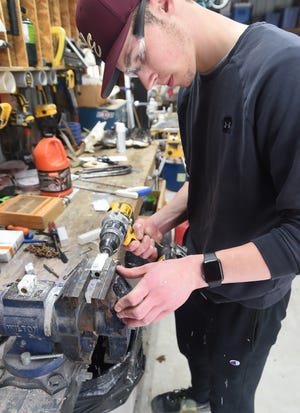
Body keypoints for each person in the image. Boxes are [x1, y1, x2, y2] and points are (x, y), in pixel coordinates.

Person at [76, 1, 300, 412]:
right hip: (196, 276)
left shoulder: (285, 71)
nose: (148, 80)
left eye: (139, 57)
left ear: (164, 5)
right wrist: (162, 222)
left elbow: (298, 236)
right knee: (196, 356)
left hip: (247, 297)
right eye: (133, 71)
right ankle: (198, 394)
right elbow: (211, 176)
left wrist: (193, 271)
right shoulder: (191, 90)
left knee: (231, 396)